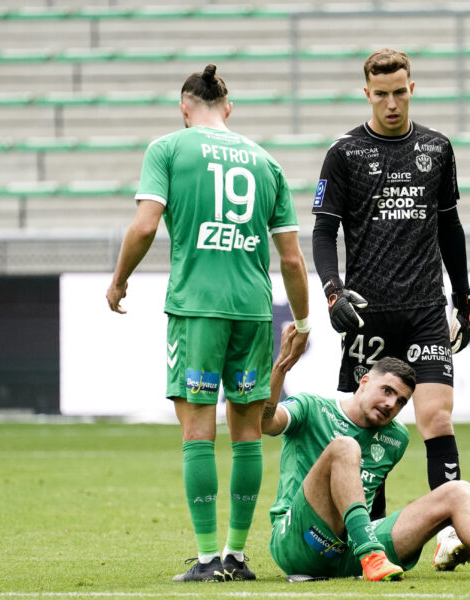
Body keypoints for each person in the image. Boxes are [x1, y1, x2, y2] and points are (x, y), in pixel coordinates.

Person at [105, 64, 310, 583]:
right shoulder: (266, 162)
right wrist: (304, 321)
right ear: (229, 108)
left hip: (197, 307)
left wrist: (119, 280)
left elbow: (145, 226)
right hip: (253, 309)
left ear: (184, 107)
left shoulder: (168, 149)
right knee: (247, 434)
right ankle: (236, 556)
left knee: (197, 432)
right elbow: (290, 258)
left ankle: (205, 559)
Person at [310, 47, 470, 569]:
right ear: (367, 93)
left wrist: (463, 299)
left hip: (425, 306)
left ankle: (448, 533)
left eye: (400, 92)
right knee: (368, 428)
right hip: (368, 312)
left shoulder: (437, 147)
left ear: (411, 88)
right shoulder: (344, 153)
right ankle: (374, 540)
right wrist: (333, 292)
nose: (392, 103)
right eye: (381, 94)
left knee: (437, 416)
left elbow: (449, 226)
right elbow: (324, 230)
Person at [262, 324, 470, 582]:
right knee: (345, 446)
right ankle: (371, 555)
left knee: (457, 490)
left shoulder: (395, 437)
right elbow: (266, 423)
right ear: (364, 382)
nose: (391, 404)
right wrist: (281, 367)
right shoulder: (311, 408)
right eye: (387, 390)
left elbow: (366, 496)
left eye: (401, 401)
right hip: (298, 542)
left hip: (349, 550)